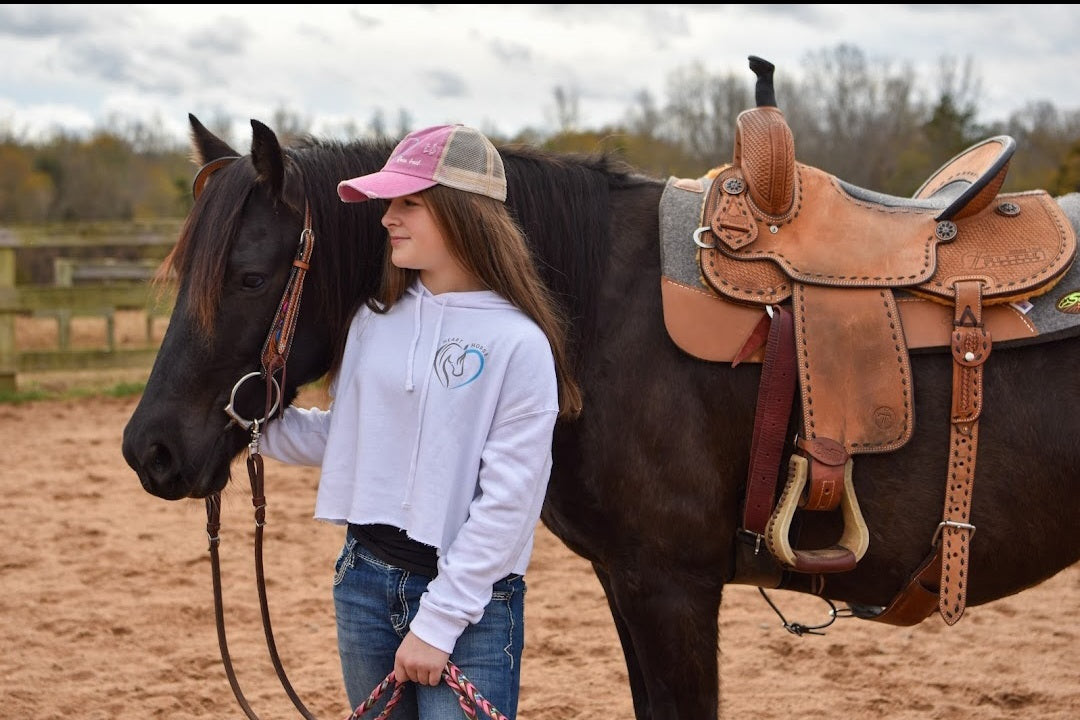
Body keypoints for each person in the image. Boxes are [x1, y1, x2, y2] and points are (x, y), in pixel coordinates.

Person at [260, 123, 582, 719]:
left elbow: (508, 501)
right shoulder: (372, 322)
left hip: (473, 605)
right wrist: (256, 427)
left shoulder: (519, 344)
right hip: (363, 581)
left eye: (410, 202)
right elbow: (352, 437)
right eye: (389, 202)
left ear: (465, 215)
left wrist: (438, 622)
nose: (387, 218)